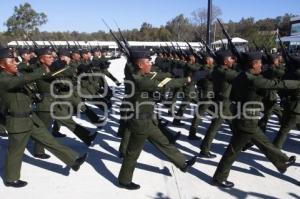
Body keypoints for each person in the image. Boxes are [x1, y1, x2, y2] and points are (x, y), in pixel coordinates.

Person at [0, 47, 87, 188]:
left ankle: (73, 160)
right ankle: (11, 178)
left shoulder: (15, 75)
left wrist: (52, 69)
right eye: (11, 61)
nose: (15, 63)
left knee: (48, 139)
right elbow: (26, 78)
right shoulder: (3, 79)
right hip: (17, 121)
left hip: (30, 118)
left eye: (15, 60)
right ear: (2, 65)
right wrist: (43, 70)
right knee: (15, 152)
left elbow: (27, 77)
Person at [212, 52, 297, 188]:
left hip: (244, 118)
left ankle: (282, 162)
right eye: (259, 63)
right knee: (232, 152)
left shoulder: (241, 76)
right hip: (246, 121)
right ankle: (219, 178)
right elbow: (278, 84)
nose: (261, 65)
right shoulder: (253, 79)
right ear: (253, 64)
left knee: (264, 142)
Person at [118, 50, 197, 190]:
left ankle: (182, 163)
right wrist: (187, 80)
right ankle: (124, 180)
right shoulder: (141, 80)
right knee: (132, 153)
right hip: (140, 122)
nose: (151, 64)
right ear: (140, 65)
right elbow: (165, 84)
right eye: (148, 62)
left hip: (147, 120)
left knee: (163, 142)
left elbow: (157, 76)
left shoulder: (138, 74)